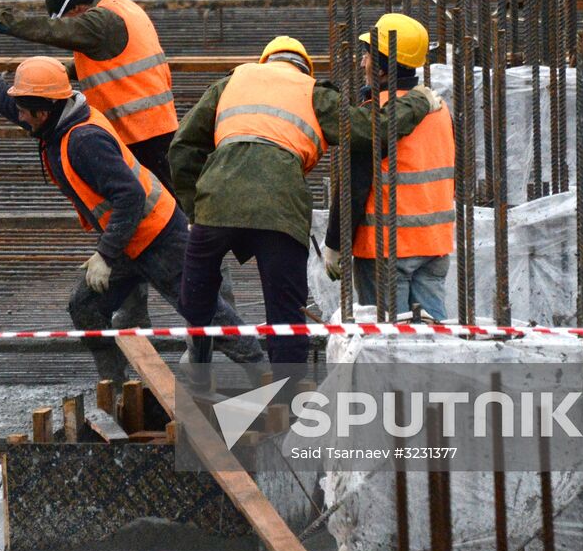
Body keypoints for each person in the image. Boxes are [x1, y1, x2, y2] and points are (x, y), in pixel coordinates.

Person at [0, 21, 264, 383]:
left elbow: (131, 196)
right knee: (87, 308)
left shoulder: (84, 140)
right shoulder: (54, 115)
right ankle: (117, 385)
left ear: (42, 113)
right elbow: (0, 95)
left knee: (206, 314)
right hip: (127, 238)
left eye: (25, 113)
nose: (20, 118)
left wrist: (106, 256)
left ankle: (264, 373)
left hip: (159, 236)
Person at [0, 0, 235, 329]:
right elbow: (98, 63)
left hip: (143, 138)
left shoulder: (102, 22)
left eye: (68, 20)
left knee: (170, 232)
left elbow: (52, 33)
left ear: (78, 10)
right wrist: (48, 77)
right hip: (147, 134)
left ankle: (215, 323)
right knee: (131, 222)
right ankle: (137, 309)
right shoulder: (120, 8)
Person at [170, 35, 439, 366]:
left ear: (265, 60)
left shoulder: (232, 81)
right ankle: (288, 401)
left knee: (195, 289)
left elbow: (182, 147)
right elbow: (373, 131)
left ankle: (197, 352)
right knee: (286, 315)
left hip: (217, 199)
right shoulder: (313, 92)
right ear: (304, 68)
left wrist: (195, 210)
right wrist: (419, 101)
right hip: (281, 208)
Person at [322, 14, 454, 321]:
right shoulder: (439, 108)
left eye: (367, 55)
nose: (361, 62)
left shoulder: (375, 115)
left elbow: (355, 185)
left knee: (388, 343)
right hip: (434, 244)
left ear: (380, 69)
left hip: (386, 247)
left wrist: (335, 243)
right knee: (433, 341)